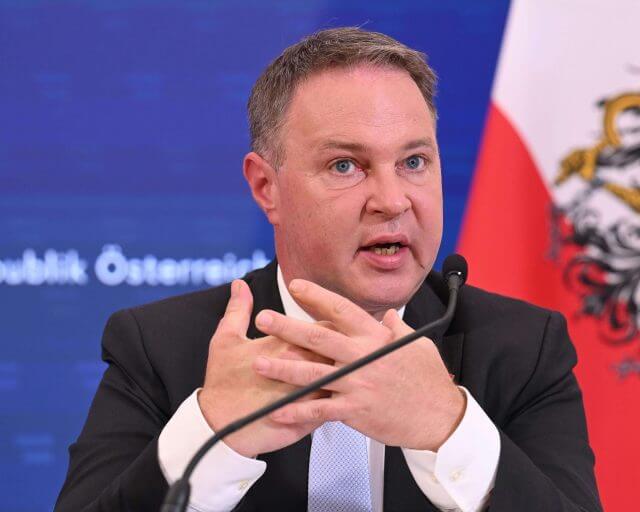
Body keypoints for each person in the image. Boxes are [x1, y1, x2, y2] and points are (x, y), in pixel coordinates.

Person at [55, 28, 602, 512]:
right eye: (346, 165)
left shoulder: (521, 348)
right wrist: (213, 433)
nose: (392, 200)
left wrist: (447, 427)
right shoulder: (160, 348)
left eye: (413, 162)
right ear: (266, 187)